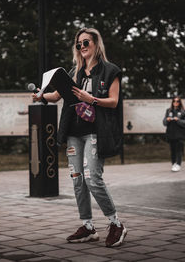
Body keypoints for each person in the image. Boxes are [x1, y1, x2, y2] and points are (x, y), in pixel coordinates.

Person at [33, 28, 127, 247]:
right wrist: (41, 96)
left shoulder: (110, 71)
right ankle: (88, 226)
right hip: (74, 133)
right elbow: (56, 96)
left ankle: (116, 223)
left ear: (96, 44)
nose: (82, 47)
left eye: (86, 42)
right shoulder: (74, 72)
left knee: (92, 178)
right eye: (78, 44)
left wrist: (90, 98)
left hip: (95, 132)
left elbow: (113, 101)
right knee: (78, 180)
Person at [162, 96, 185, 172]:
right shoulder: (168, 111)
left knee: (179, 150)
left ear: (180, 102)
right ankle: (174, 164)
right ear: (172, 102)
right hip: (171, 134)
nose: (175, 102)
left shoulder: (184, 112)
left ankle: (178, 164)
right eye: (174, 101)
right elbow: (164, 122)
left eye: (177, 101)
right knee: (173, 150)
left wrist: (178, 120)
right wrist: (167, 120)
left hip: (180, 134)